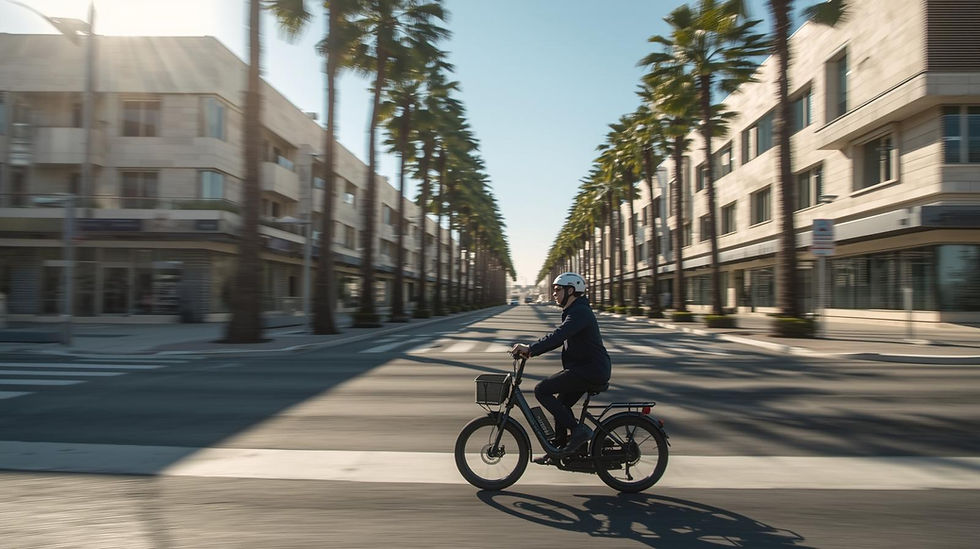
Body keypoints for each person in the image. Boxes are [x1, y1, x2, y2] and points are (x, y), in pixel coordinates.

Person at [511, 272, 612, 463]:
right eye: (554, 290)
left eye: (558, 290)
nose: (554, 294)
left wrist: (531, 349)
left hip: (590, 370)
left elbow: (559, 336)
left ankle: (578, 432)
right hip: (585, 369)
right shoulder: (575, 311)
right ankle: (559, 449)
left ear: (571, 291)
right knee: (561, 405)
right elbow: (560, 338)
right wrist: (532, 350)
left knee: (542, 390)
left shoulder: (580, 312)